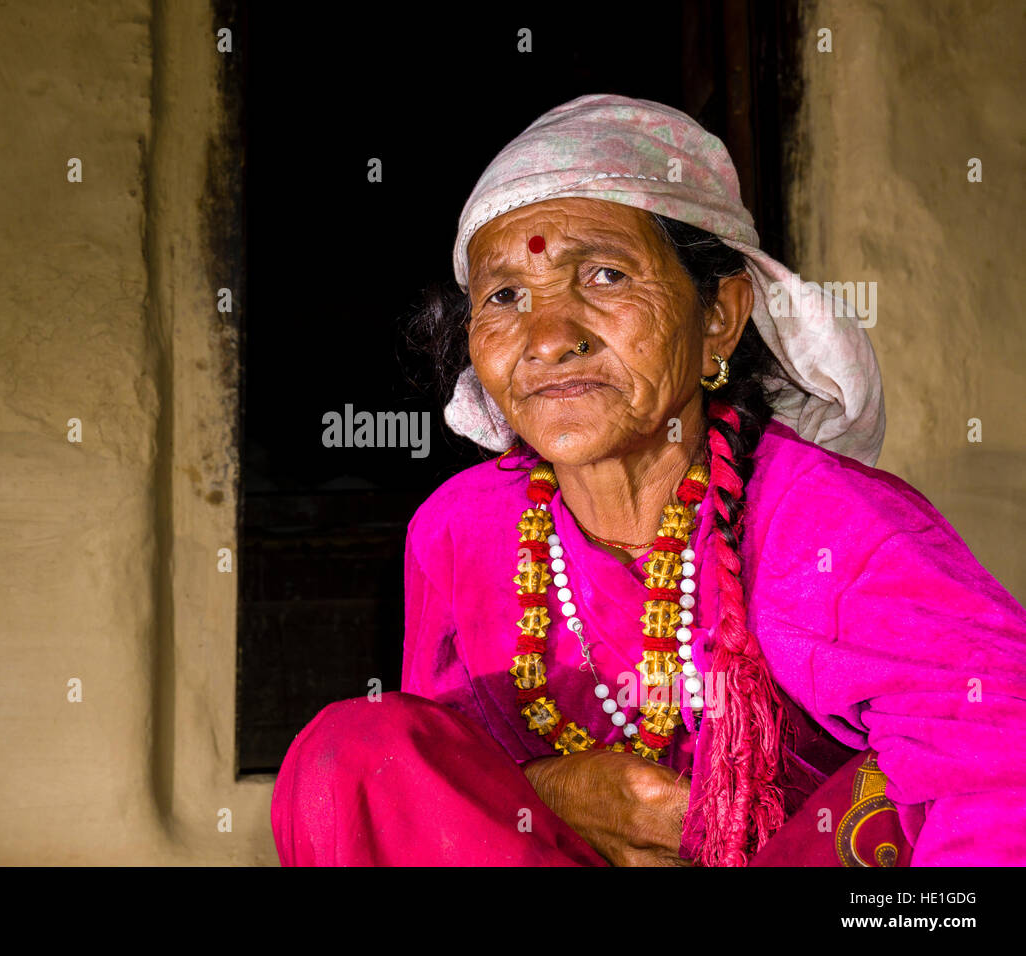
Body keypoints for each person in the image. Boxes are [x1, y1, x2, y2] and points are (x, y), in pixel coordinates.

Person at [270, 94, 1026, 866]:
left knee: (899, 803)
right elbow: (442, 797)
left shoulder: (825, 524)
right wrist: (551, 791)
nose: (549, 339)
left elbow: (1004, 756)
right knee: (355, 753)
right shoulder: (462, 529)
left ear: (717, 320)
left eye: (602, 275)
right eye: (504, 297)